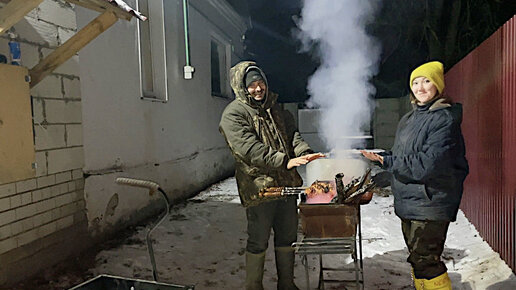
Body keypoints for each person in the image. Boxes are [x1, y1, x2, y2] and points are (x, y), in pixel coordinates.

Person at [361, 61, 469, 290]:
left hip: (431, 201)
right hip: (411, 202)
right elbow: (404, 156)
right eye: (415, 82)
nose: (420, 87)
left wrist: (389, 162)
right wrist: (385, 165)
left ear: (438, 86)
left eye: (427, 81)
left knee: (426, 262)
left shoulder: (444, 119)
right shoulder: (409, 119)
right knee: (417, 259)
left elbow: (428, 164)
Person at [219, 61, 324, 290]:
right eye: (252, 85)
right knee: (258, 240)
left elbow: (292, 135)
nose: (258, 89)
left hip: (286, 186)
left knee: (287, 237)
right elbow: (249, 149)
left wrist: (304, 152)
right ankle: (254, 286)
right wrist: (284, 161)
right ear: (242, 87)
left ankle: (286, 284)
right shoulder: (233, 114)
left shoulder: (276, 109)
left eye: (260, 83)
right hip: (260, 188)